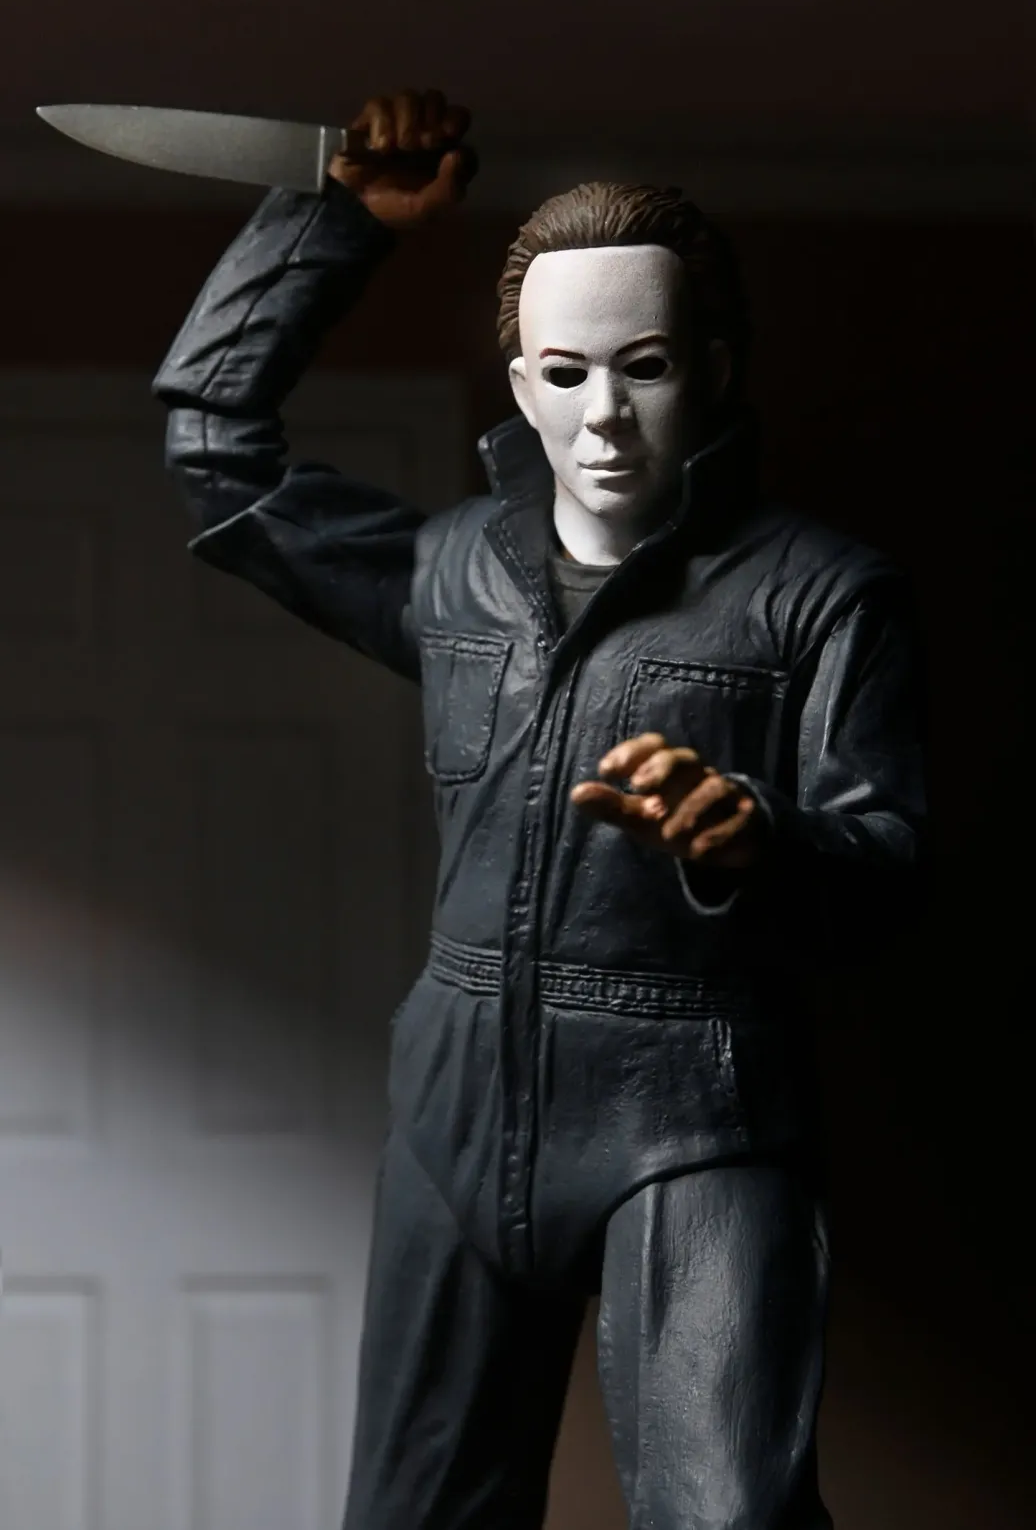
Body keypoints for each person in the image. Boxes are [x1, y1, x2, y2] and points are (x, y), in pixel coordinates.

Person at [153, 88, 927, 1530]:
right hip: (455, 1105)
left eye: (647, 367)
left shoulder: (820, 595)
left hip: (691, 1114)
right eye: (566, 373)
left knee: (728, 1517)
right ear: (519, 385)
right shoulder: (450, 572)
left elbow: (887, 873)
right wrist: (334, 223)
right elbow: (214, 447)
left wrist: (757, 837)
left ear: (714, 369)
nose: (605, 417)